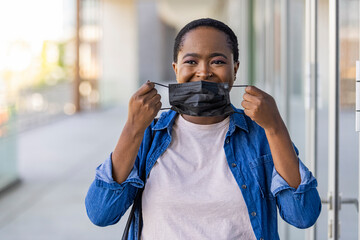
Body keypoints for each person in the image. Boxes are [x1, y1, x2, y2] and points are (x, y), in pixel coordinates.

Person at [85, 18, 321, 240]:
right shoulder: (148, 135)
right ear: (176, 69)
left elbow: (302, 216)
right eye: (191, 61)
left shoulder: (261, 135)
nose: (204, 71)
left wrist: (275, 126)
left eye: (218, 61)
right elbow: (102, 213)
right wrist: (133, 128)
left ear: (235, 69)